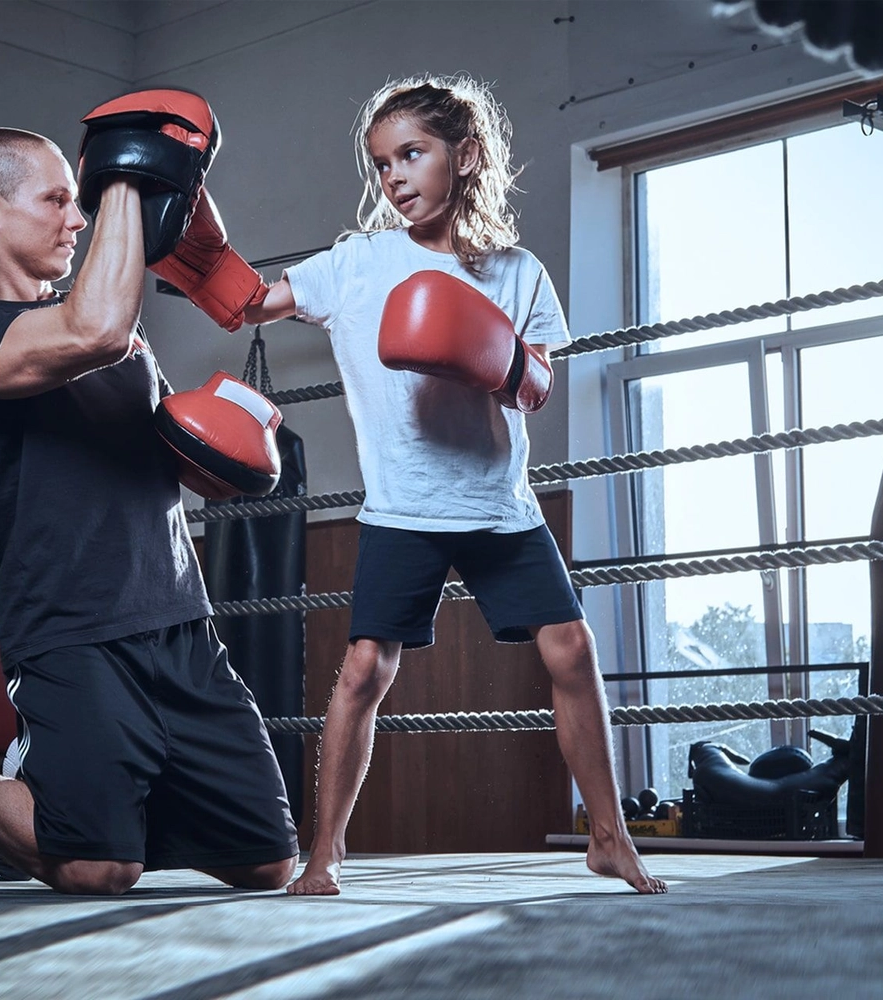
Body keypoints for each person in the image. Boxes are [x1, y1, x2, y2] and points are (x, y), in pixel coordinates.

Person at [238, 74, 666, 895]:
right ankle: (323, 852)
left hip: (500, 504)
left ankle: (609, 836)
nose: (394, 177)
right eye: (381, 164)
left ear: (463, 156)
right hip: (404, 507)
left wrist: (486, 352)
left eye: (411, 154)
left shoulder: (517, 273)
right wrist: (190, 250)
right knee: (366, 668)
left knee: (572, 651)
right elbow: (258, 303)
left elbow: (538, 382)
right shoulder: (359, 261)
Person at [0, 97, 298, 895]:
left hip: (178, 621)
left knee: (266, 860)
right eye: (59, 198)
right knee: (97, 869)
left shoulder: (127, 343)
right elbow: (86, 331)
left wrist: (224, 443)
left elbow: (160, 453)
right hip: (72, 626)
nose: (78, 217)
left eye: (81, 197)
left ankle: (40, 817)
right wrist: (129, 174)